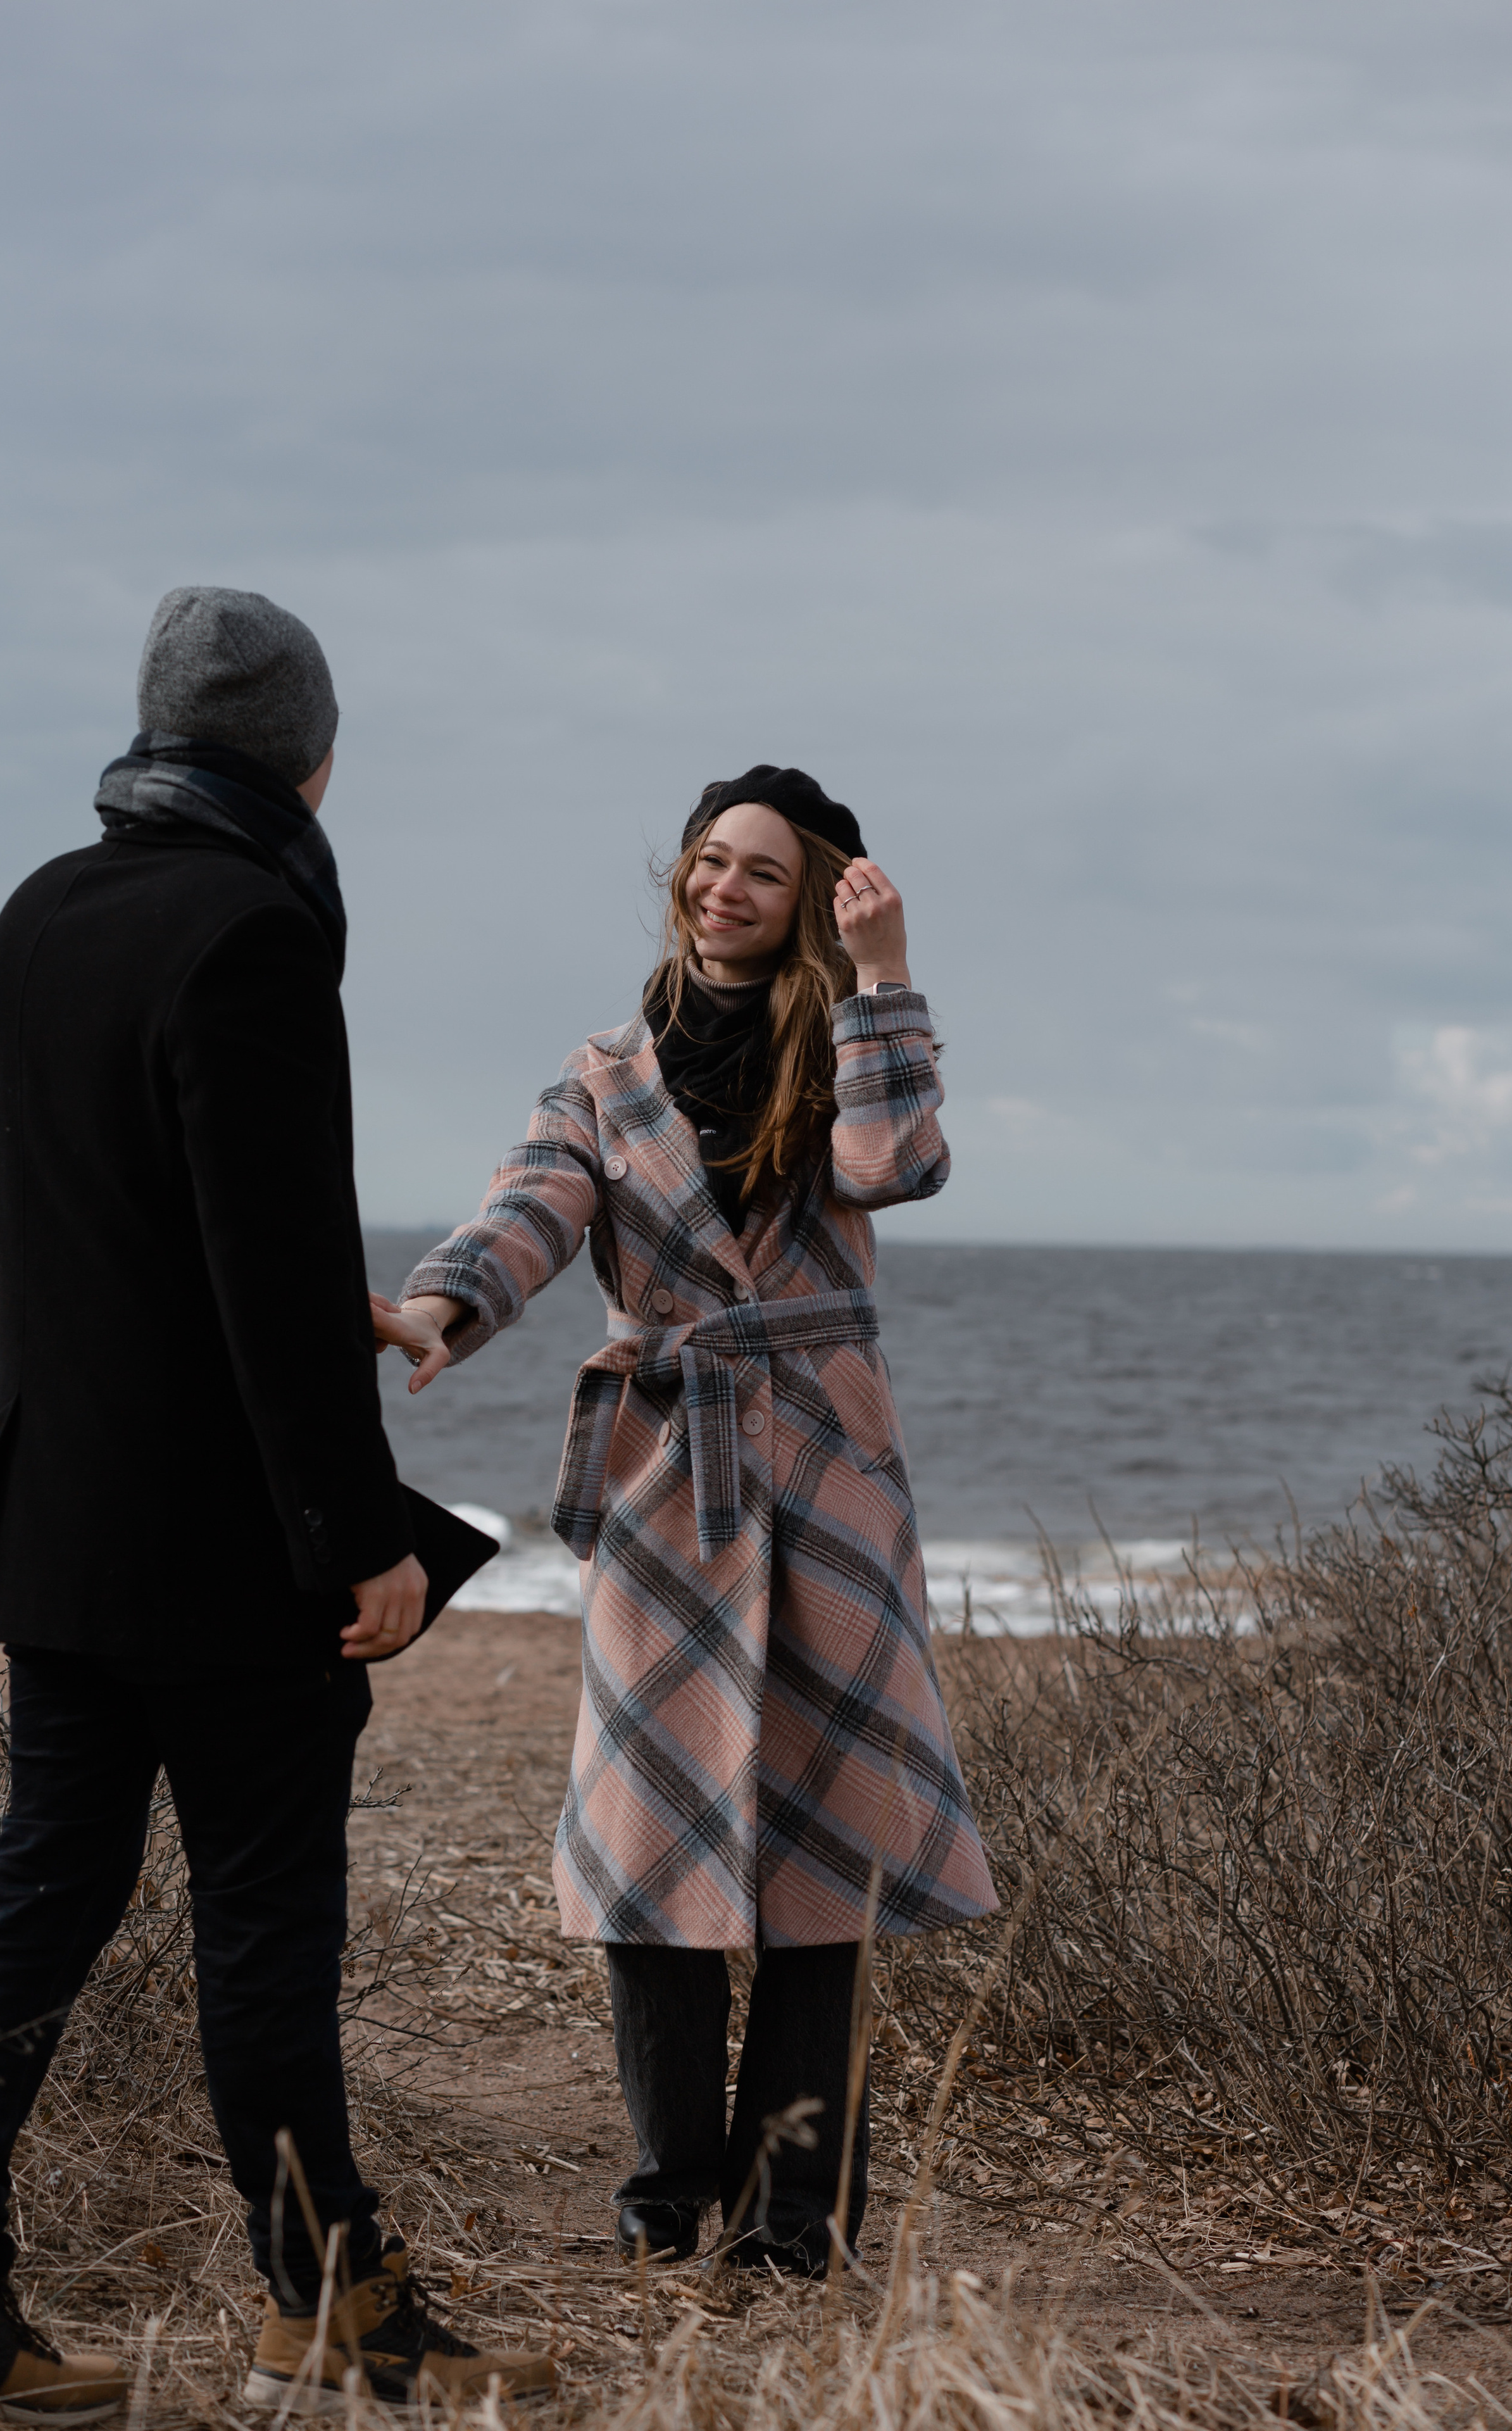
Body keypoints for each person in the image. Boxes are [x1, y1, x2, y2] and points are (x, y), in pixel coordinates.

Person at [0, 590, 551, 2418]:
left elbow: (120, 1224)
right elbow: (260, 1271)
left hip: (59, 1523)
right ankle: (328, 2304)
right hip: (222, 1552)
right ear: (309, 760)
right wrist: (360, 1538)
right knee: (266, 1928)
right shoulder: (256, 929)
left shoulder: (38, 913)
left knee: (43, 1891)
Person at [373, 764, 997, 2276]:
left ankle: (795, 2222)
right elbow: (533, 1206)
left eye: (761, 874)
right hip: (669, 1482)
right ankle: (666, 2207)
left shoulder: (843, 1035)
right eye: (708, 861)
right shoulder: (605, 1071)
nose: (722, 888)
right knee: (650, 1854)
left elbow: (891, 1166)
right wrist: (443, 1305)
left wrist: (885, 978)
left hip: (829, 1482)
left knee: (820, 1860)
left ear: (807, 904)